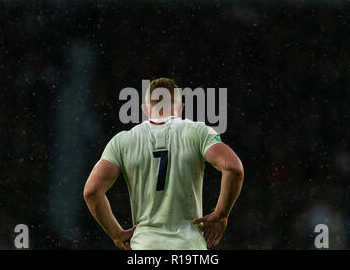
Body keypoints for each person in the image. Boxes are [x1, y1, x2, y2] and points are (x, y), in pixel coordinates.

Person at [83, 78, 243, 250]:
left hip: (145, 246)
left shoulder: (123, 141)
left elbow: (92, 191)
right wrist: (221, 215)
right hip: (189, 247)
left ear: (145, 109)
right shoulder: (198, 132)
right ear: (181, 107)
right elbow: (234, 169)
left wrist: (117, 234)